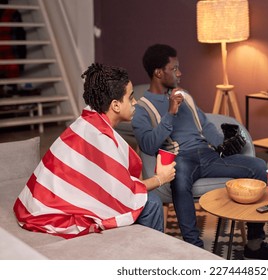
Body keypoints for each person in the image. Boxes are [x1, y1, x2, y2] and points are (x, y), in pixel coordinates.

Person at [131, 44, 268, 259]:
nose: (180, 73)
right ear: (159, 73)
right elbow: (149, 145)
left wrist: (224, 145)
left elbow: (205, 124)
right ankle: (195, 249)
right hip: (180, 160)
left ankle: (254, 244)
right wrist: (170, 113)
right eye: (175, 68)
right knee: (179, 177)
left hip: (207, 155)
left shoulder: (185, 95)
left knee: (259, 167)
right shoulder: (141, 109)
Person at [13, 63, 176, 238]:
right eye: (130, 97)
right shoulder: (99, 137)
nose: (135, 102)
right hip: (49, 213)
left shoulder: (90, 118)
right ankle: (152, 256)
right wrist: (161, 178)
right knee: (151, 203)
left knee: (147, 200)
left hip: (38, 202)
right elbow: (126, 193)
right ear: (115, 105)